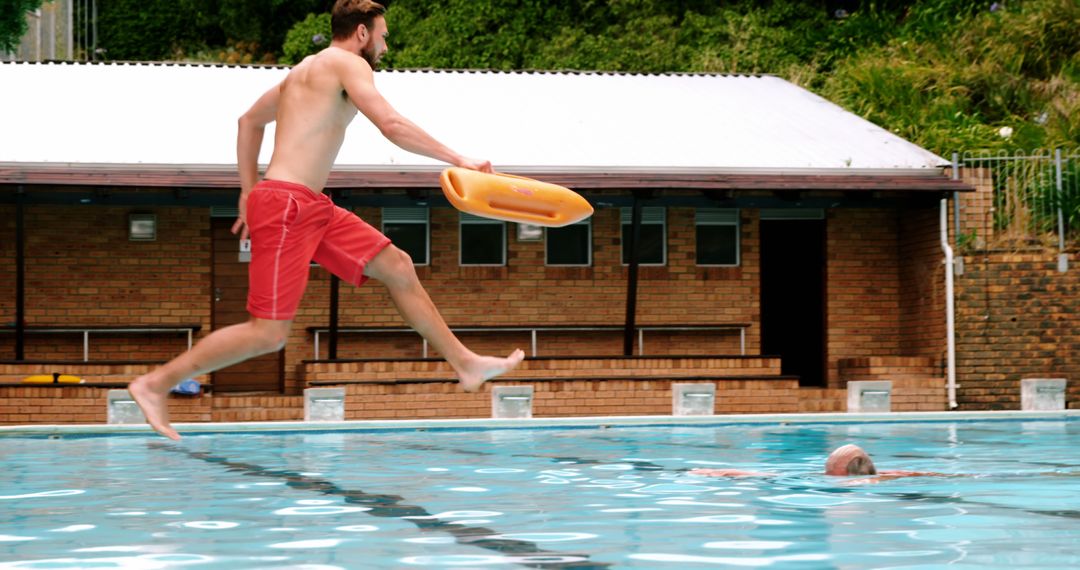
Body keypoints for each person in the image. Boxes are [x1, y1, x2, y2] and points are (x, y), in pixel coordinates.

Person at [130, 0, 525, 440]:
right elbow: (390, 124)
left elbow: (248, 122)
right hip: (286, 206)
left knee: (397, 266)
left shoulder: (302, 72)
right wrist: (458, 158)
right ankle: (155, 383)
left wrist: (247, 190)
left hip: (309, 205)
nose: (386, 45)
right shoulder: (346, 63)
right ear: (361, 33)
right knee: (269, 334)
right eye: (383, 35)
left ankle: (465, 363)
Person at [690, 444, 952, 483]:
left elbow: (775, 478)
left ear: (842, 472)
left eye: (829, 469)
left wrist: (728, 472)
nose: (824, 472)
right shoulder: (888, 475)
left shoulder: (854, 486)